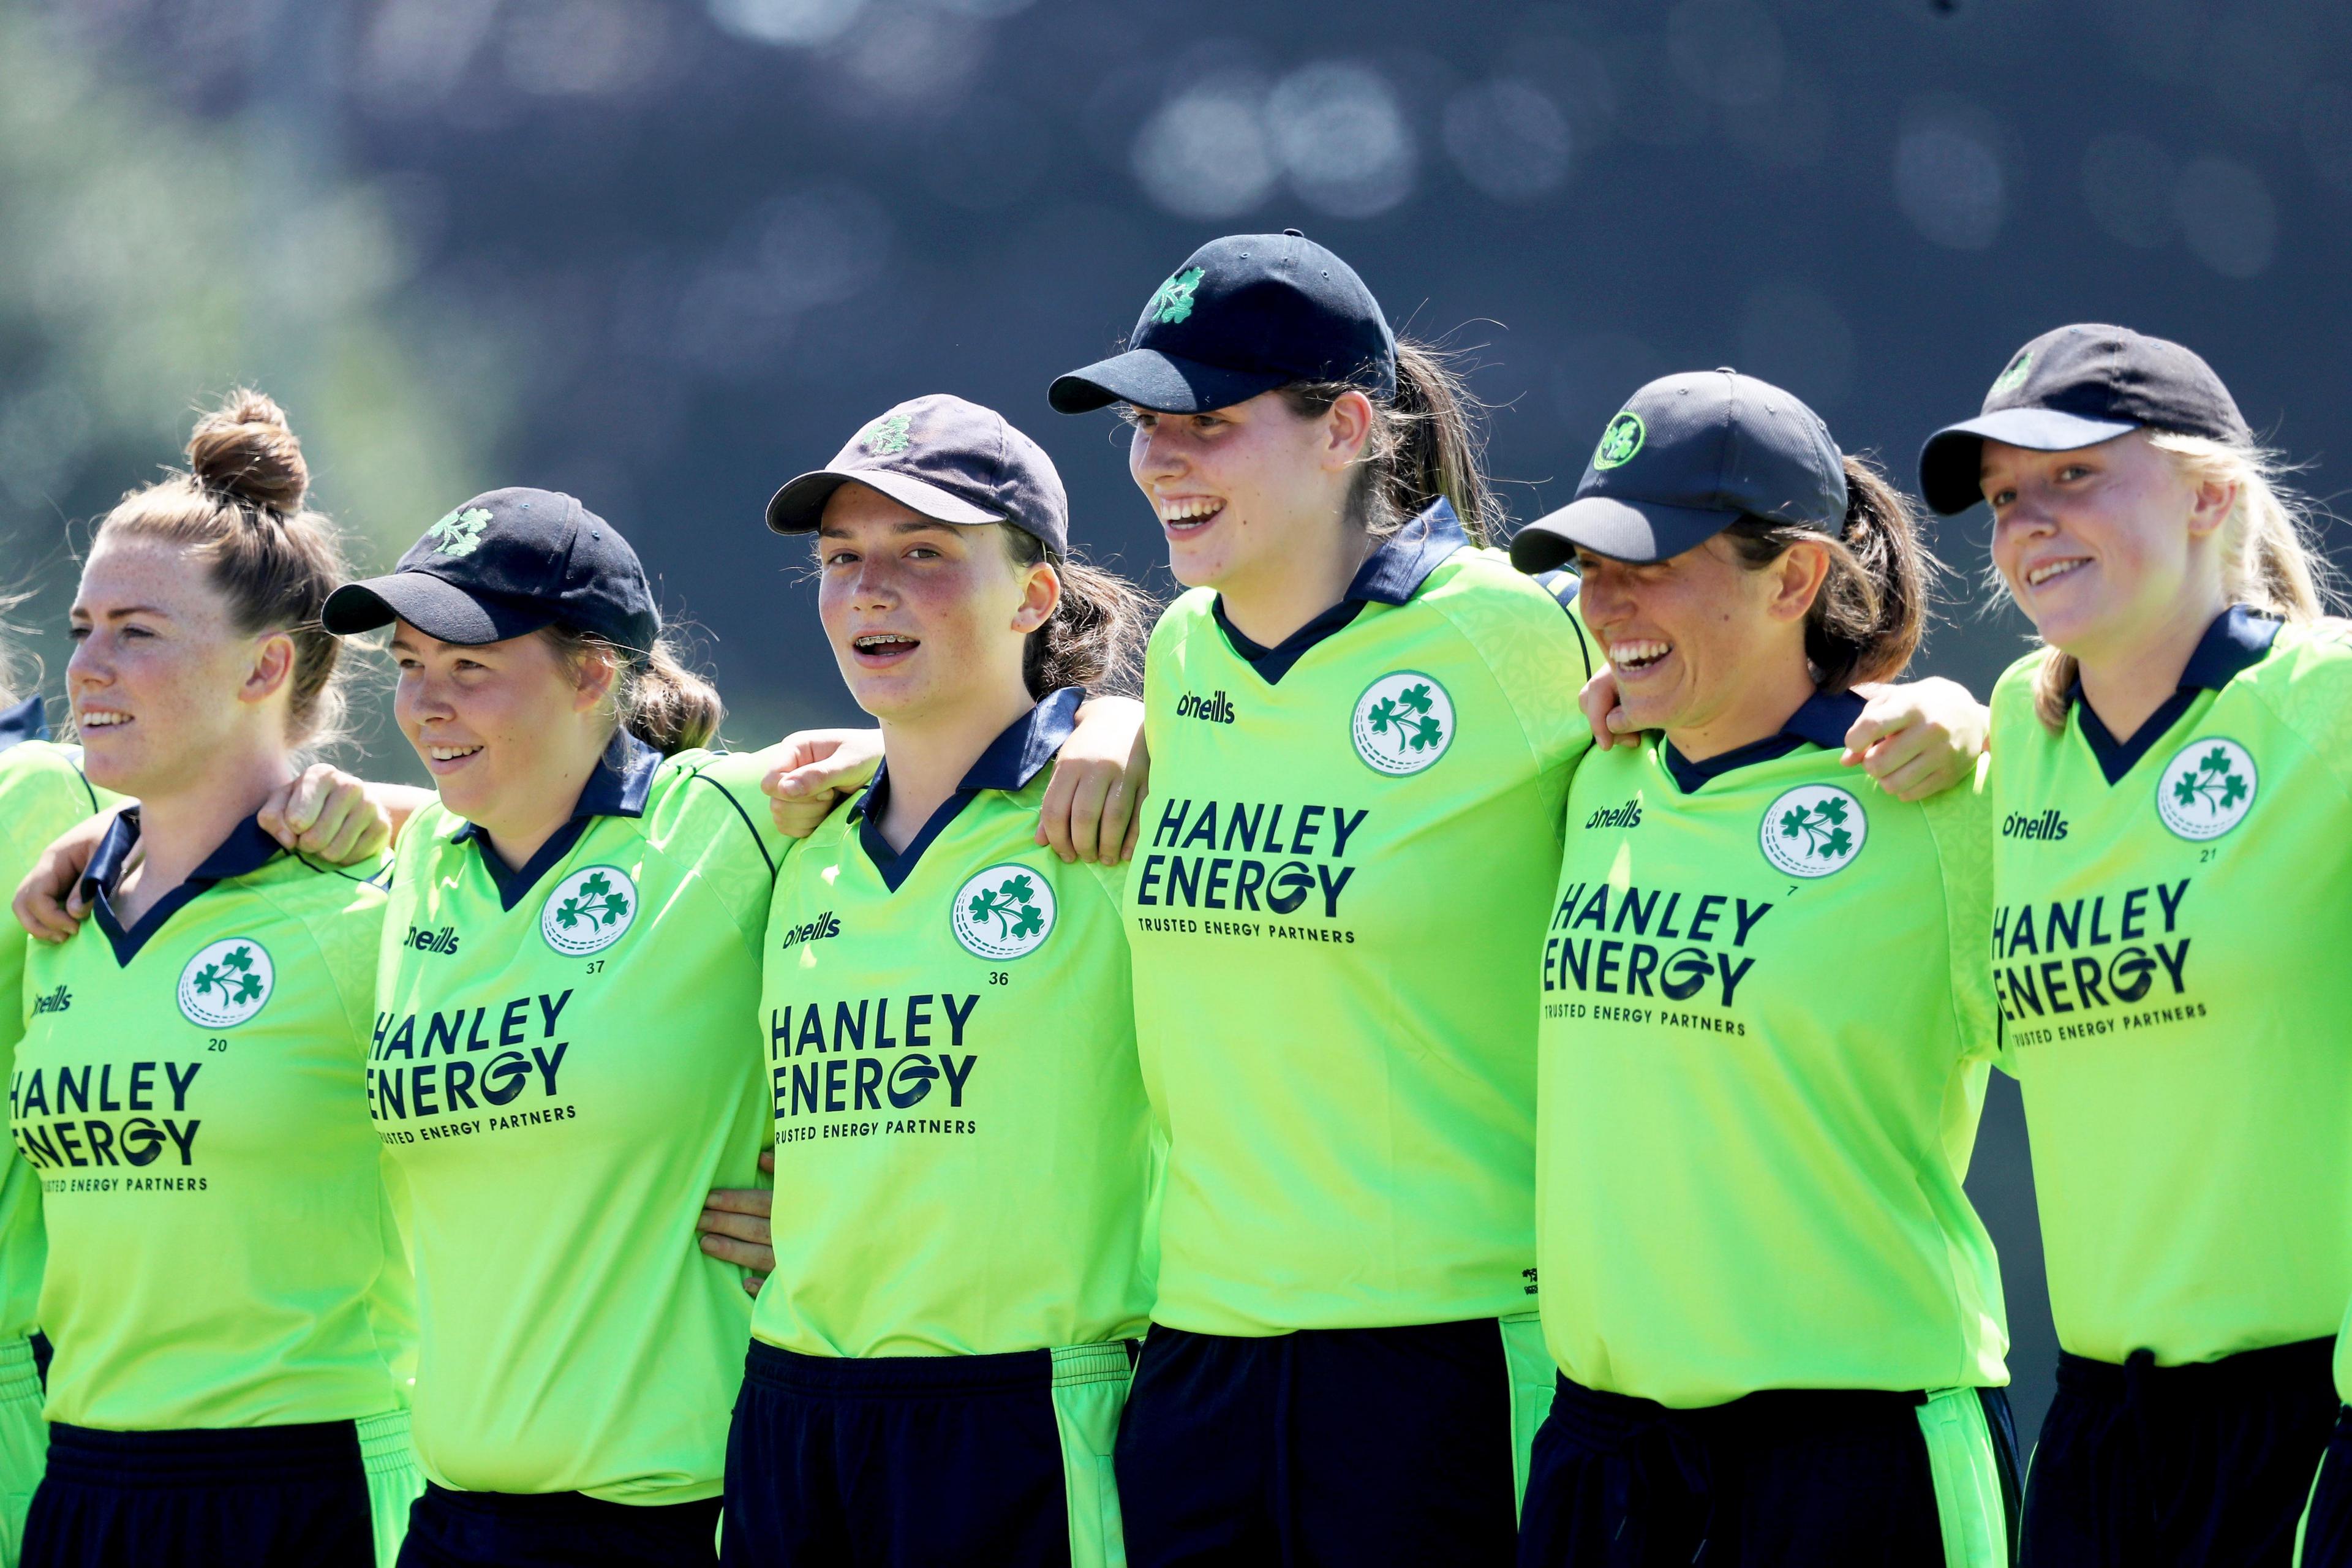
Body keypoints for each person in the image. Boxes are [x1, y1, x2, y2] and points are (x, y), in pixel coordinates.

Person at [1045, 232, 1988, 1564]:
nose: (1157, 459)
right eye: (1144, 427)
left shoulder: (1516, 628)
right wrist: (1102, 714)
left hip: (1449, 1359)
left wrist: (1942, 706)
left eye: (1204, 422)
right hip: (1199, 1359)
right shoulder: (1186, 652)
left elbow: (1734, 671)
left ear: (1348, 429)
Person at [1507, 370, 2015, 1565]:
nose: (1605, 600)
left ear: (1793, 577)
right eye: (1589, 564)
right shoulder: (1595, 774)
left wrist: (1991, 714)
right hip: (1602, 1455)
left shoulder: (1934, 791)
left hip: (1853, 1458)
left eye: (1651, 562)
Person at [1918, 323, 2352, 1568]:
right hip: (2101, 1432)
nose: (2028, 522)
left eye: (2072, 476)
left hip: (2309, 1425)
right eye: (2006, 498)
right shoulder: (2020, 723)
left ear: (2213, 491)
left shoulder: (2326, 704)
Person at [720, 395, 1156, 1567]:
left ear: (1034, 594)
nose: (872, 589)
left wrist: (1123, 717)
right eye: (842, 559)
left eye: (925, 554)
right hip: (792, 1410)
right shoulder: (797, 840)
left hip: (1023, 1411)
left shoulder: (1112, 809)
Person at [318, 486, 784, 1567]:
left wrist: (1112, 721)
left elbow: (957, 753)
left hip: (679, 1518)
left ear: (591, 674)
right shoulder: (427, 858)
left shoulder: (722, 819)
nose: (428, 704)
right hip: (453, 1517)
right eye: (411, 666)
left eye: (471, 668)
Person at [12, 392, 423, 1567]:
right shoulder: (68, 911)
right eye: (85, 626)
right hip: (83, 1479)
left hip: (306, 1487)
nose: (88, 665)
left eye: (138, 632)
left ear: (268, 667)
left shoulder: (376, 914)